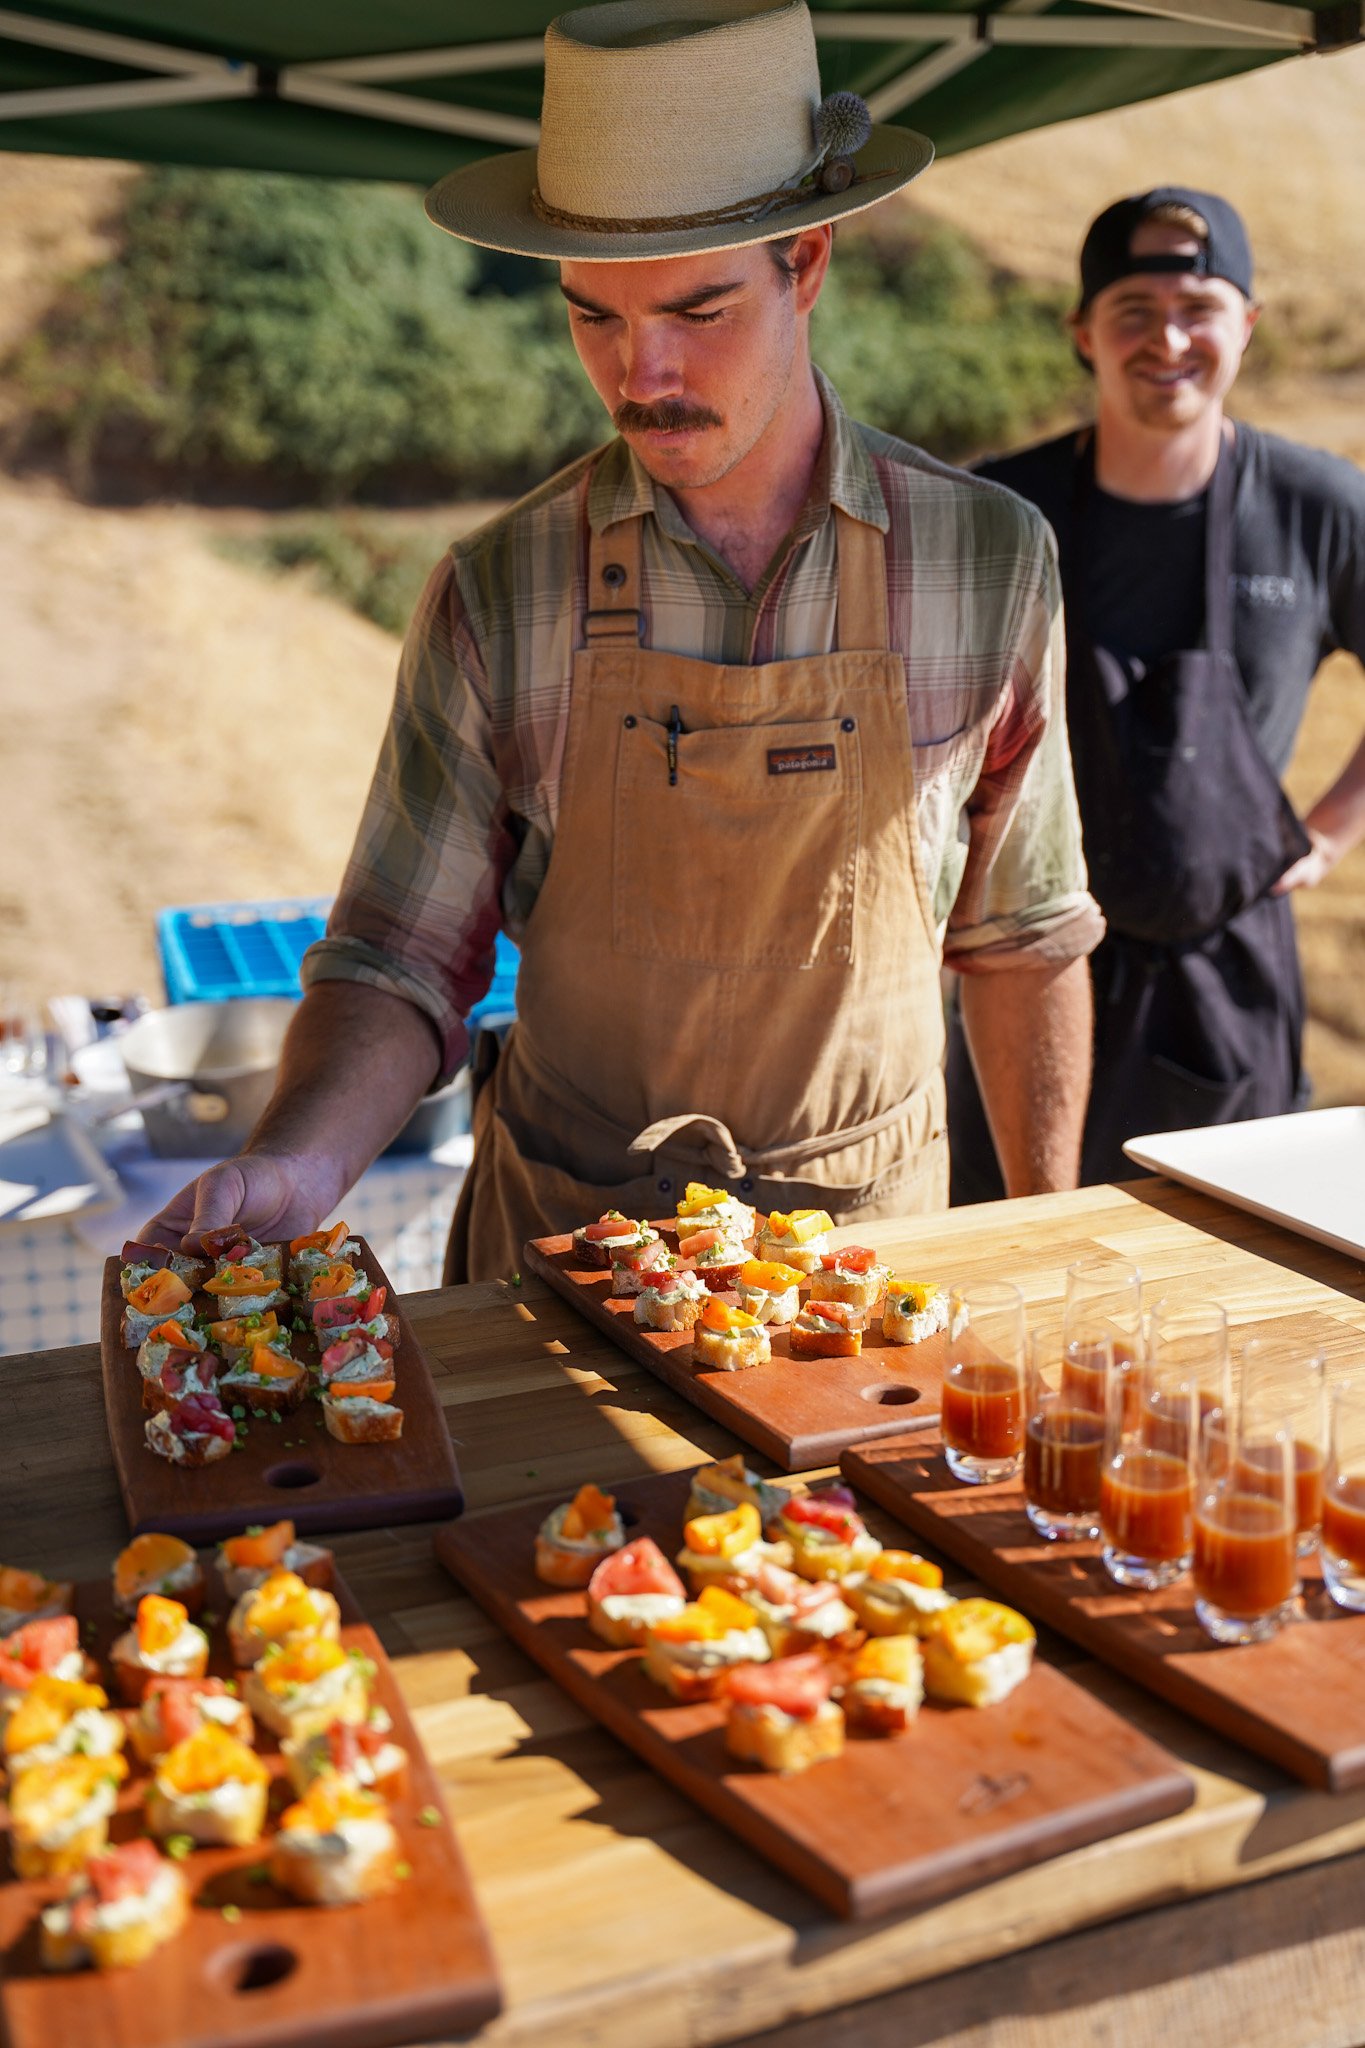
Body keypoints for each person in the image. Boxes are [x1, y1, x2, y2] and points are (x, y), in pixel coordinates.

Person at [145, 0, 1102, 1278]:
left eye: (698, 312)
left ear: (805, 262)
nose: (638, 373)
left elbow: (1023, 938)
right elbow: (399, 958)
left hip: (870, 1259)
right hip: (567, 1251)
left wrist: (1048, 1235)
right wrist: (304, 1163)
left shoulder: (989, 563)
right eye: (594, 315)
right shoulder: (499, 587)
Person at [948, 187, 1365, 1200]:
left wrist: (1333, 833)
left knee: (1227, 1283)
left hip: (1224, 984)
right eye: (1132, 310)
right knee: (1013, 1278)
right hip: (1024, 977)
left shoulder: (1319, 506)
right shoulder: (1002, 511)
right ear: (1083, 332)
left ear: (1247, 325)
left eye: (1198, 308)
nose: (1166, 339)